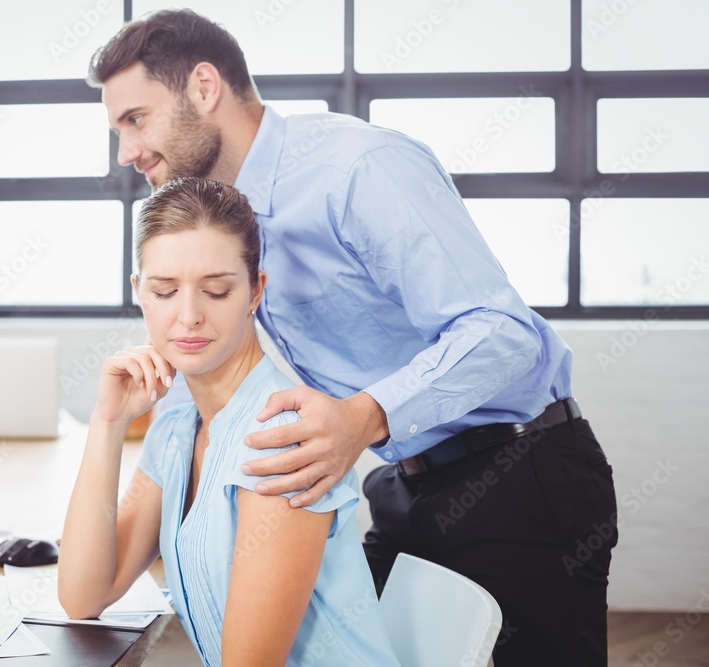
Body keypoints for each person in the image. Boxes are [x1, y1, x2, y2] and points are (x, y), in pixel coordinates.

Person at [86, 9, 617, 666]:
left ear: (203, 87)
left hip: (519, 476)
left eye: (135, 119)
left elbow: (505, 335)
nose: (125, 152)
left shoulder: (356, 169)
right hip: (404, 483)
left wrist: (362, 417)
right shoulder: (231, 219)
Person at [58, 177, 400, 667]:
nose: (189, 316)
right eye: (165, 290)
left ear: (255, 291)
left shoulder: (284, 438)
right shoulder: (176, 430)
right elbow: (83, 595)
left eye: (216, 291)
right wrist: (107, 421)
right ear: (139, 293)